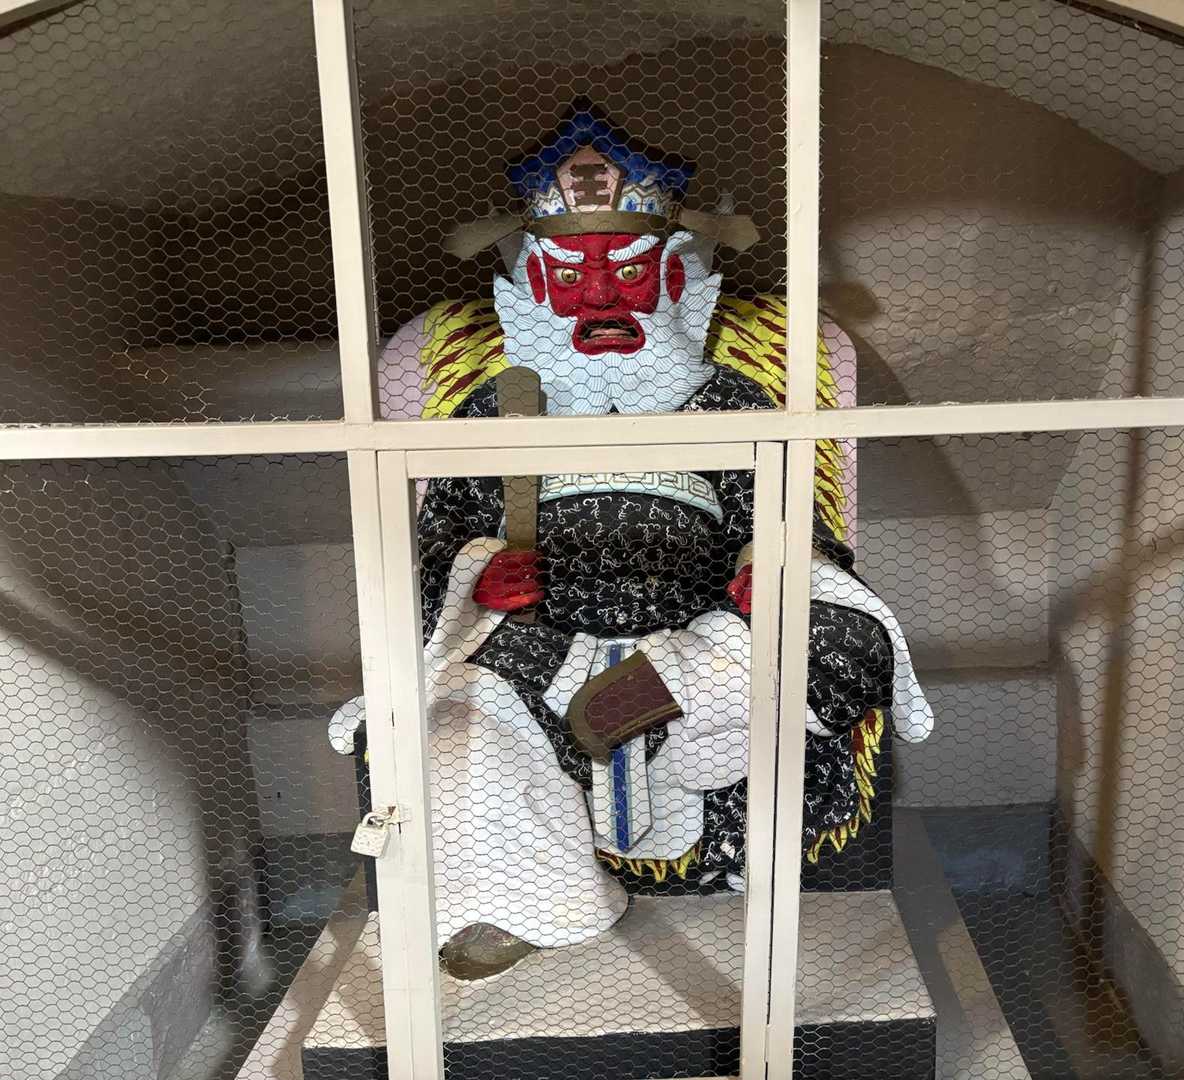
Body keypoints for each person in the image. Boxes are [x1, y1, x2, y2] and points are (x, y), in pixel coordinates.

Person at [329, 108, 933, 979]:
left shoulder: (728, 401)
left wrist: (766, 571)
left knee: (843, 636)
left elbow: (795, 527)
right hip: (542, 641)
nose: (601, 301)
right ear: (530, 283)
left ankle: (659, 705)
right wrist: (478, 576)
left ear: (680, 274)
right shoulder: (497, 409)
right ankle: (525, 898)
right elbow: (434, 548)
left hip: (703, 633)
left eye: (626, 272)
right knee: (450, 718)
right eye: (572, 277)